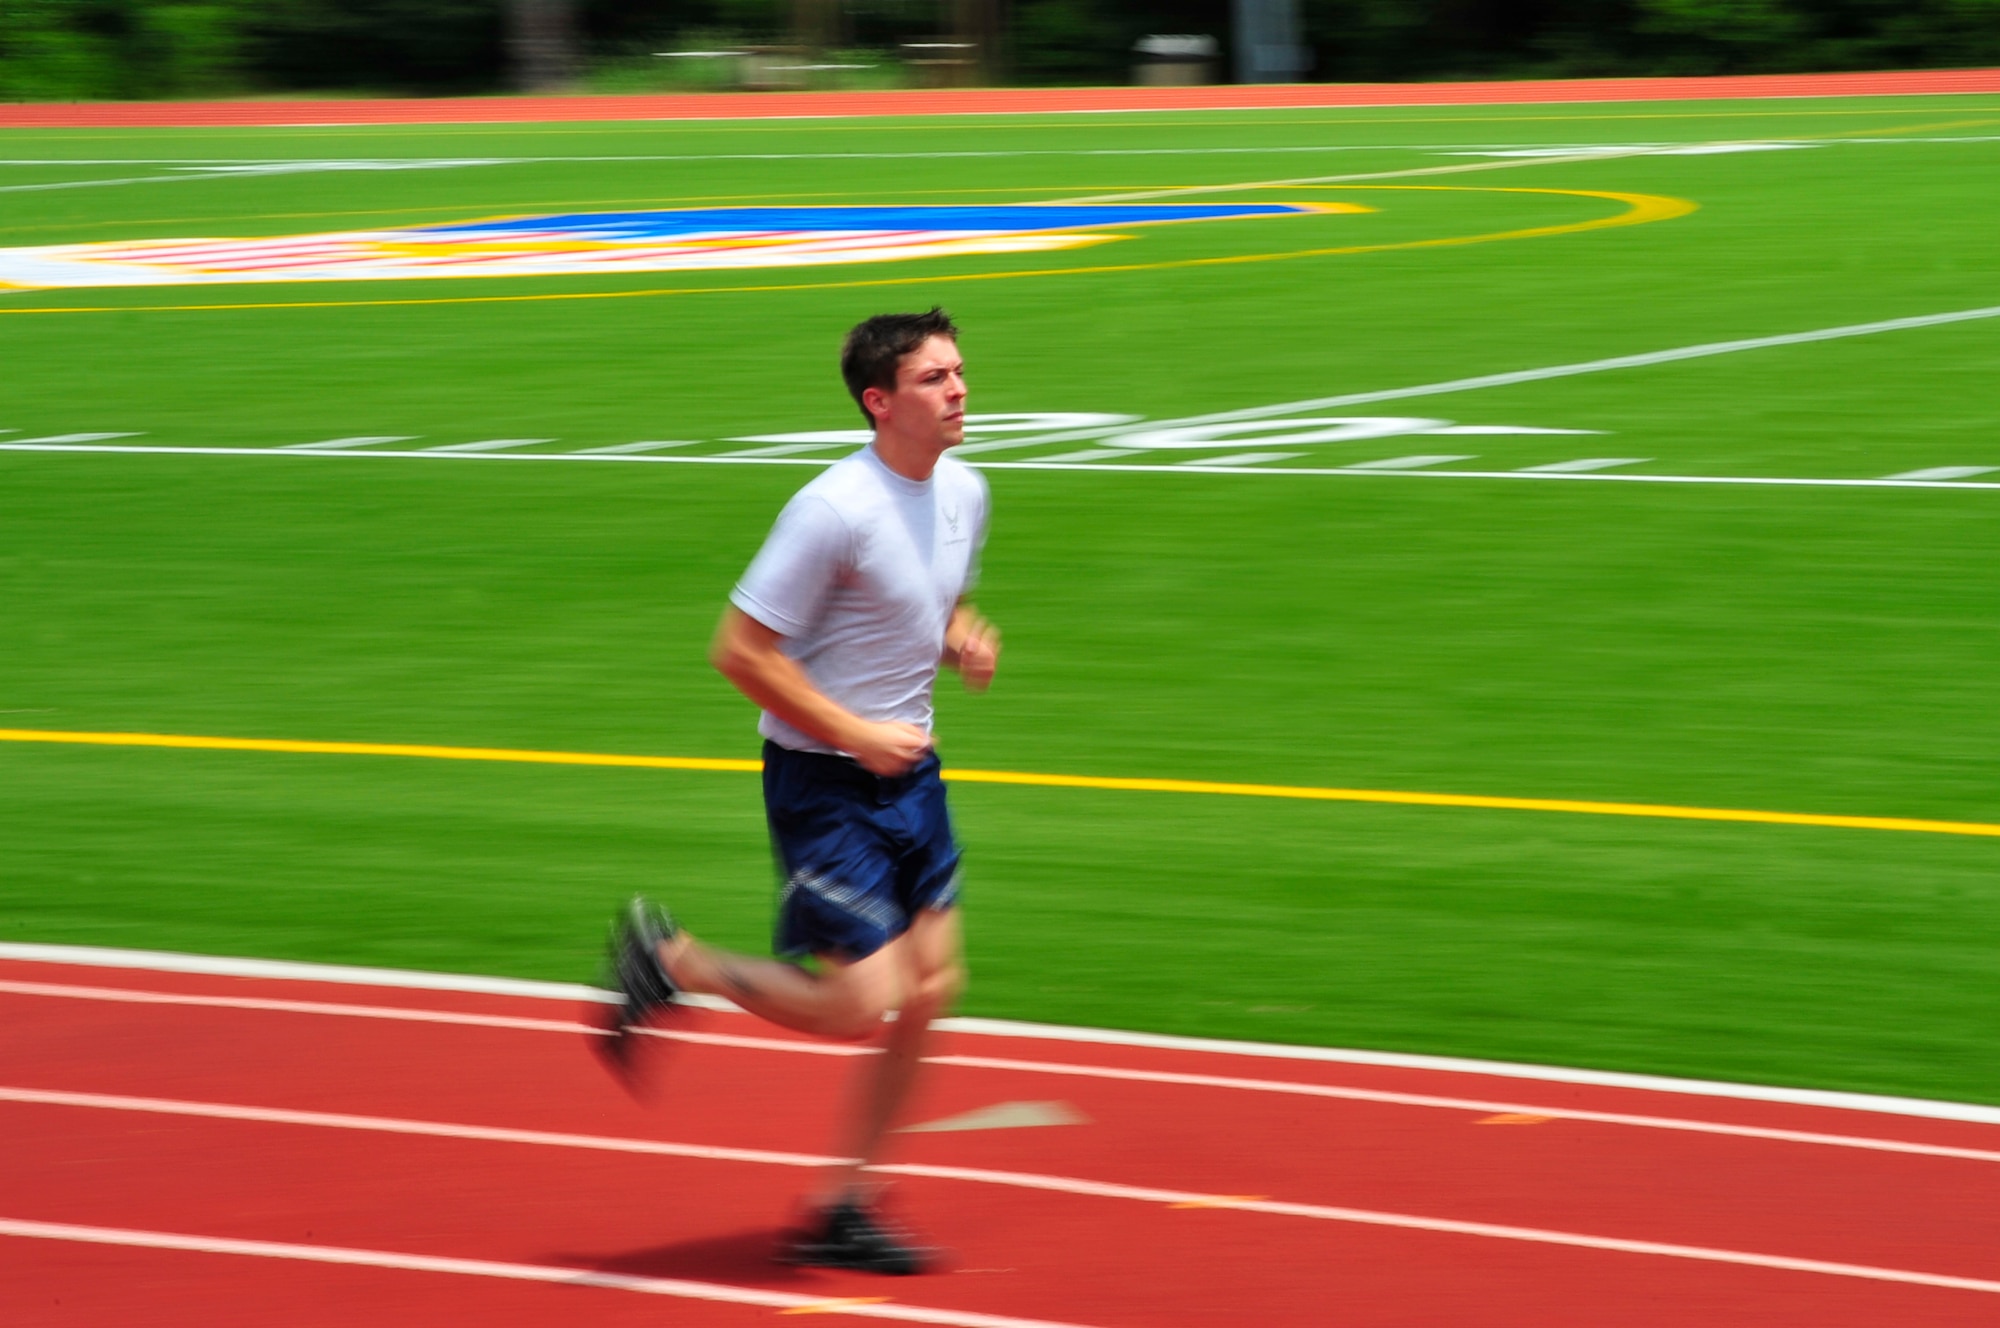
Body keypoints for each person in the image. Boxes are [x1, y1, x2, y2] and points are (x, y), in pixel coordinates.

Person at [596, 307, 999, 1276]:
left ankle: (843, 1205)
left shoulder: (967, 491)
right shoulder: (831, 509)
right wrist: (855, 732)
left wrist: (959, 635)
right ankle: (671, 958)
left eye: (958, 372)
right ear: (878, 400)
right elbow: (738, 650)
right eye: (935, 377)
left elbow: (927, 599)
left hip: (913, 775)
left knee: (933, 988)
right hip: (825, 780)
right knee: (860, 1001)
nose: (959, 390)